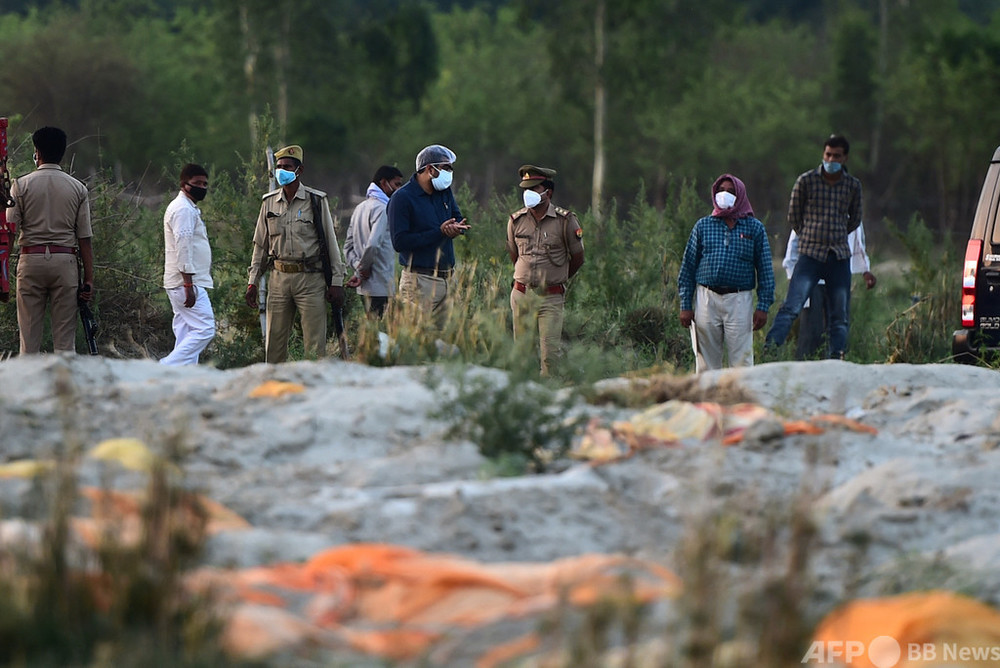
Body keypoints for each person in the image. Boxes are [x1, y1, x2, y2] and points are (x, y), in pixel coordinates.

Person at [765, 135, 863, 359]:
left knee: (839, 313)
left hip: (838, 256)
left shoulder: (852, 186)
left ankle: (836, 355)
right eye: (828, 154)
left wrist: (836, 234)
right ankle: (770, 348)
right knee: (792, 306)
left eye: (836, 156)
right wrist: (810, 235)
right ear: (823, 154)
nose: (831, 159)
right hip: (810, 254)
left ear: (845, 157)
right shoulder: (806, 181)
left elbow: (855, 219)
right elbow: (794, 215)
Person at [245, 144, 345, 363]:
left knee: (314, 345)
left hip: (310, 280)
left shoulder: (316, 201)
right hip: (278, 279)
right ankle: (274, 388)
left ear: (299, 170)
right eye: (279, 166)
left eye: (287, 166)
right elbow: (260, 247)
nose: (282, 170)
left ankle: (314, 390)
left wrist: (336, 281)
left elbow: (330, 243)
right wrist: (253, 282)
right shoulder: (269, 202)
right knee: (274, 344)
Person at [6, 126, 94, 355]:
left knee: (28, 342)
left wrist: (3, 271)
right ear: (62, 153)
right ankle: (63, 389)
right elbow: (84, 239)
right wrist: (89, 279)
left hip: (30, 260)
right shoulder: (78, 188)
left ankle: (30, 389)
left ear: (38, 153)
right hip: (65, 262)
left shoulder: (20, 185)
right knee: (65, 344)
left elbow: (10, 231)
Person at [677, 174, 774, 372]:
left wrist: (763, 305)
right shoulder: (703, 226)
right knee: (706, 362)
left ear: (740, 196)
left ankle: (739, 400)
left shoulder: (754, 228)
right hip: (706, 298)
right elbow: (688, 267)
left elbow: (765, 270)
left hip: (739, 300)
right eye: (721, 190)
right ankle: (707, 400)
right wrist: (685, 305)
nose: (725, 195)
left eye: (731, 191)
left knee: (741, 362)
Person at [506, 164, 584, 375]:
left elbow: (577, 257)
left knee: (550, 358)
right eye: (525, 189)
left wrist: (556, 278)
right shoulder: (516, 220)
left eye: (534, 189)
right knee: (521, 355)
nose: (528, 194)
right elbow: (514, 255)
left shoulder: (565, 220)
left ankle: (548, 398)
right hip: (522, 294)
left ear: (547, 192)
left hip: (550, 298)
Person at [387, 144, 469, 330]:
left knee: (448, 344)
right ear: (430, 169)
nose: (450, 172)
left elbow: (456, 217)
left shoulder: (444, 192)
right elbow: (399, 242)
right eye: (445, 168)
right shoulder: (402, 198)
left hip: (448, 280)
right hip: (420, 282)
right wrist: (438, 232)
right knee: (417, 343)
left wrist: (457, 228)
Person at [782, 223, 877, 359]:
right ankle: (807, 368)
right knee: (812, 329)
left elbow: (857, 240)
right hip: (813, 279)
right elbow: (795, 239)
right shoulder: (814, 208)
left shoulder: (850, 208)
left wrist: (865, 270)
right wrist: (792, 274)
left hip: (839, 278)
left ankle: (835, 366)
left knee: (838, 326)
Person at [160, 163, 216, 365]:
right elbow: (183, 247)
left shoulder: (187, 207)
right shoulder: (183, 209)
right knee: (205, 329)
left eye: (205, 183)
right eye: (197, 183)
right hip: (185, 281)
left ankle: (180, 377)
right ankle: (165, 367)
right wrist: (188, 284)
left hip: (181, 281)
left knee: (186, 331)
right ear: (184, 184)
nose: (202, 187)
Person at [344, 165, 404, 319]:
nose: (399, 189)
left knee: (371, 330)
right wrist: (363, 268)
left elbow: (348, 247)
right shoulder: (383, 209)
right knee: (381, 334)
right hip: (381, 286)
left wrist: (358, 269)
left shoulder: (360, 208)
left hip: (364, 286)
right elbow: (373, 244)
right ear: (384, 183)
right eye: (397, 184)